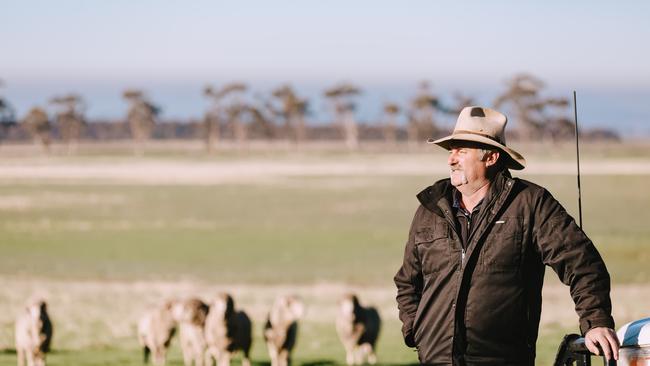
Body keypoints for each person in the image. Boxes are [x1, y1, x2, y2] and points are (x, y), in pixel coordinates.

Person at [394, 106, 619, 365]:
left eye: (462, 151)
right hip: (435, 359)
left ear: (490, 158)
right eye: (451, 151)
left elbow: (582, 263)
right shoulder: (430, 209)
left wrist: (596, 322)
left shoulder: (531, 204)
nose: (451, 159)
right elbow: (408, 282)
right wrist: (416, 330)